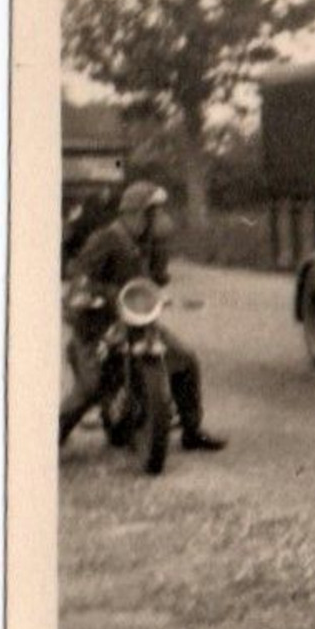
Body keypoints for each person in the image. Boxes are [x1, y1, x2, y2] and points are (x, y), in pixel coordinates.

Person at [58, 180, 227, 453]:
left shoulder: (148, 242)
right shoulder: (106, 239)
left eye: (159, 212)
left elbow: (156, 280)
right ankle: (51, 435)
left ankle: (192, 430)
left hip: (137, 322)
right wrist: (110, 294)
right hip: (99, 325)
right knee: (92, 384)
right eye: (155, 212)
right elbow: (80, 277)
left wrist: (160, 255)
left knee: (184, 359)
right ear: (137, 214)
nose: (161, 218)